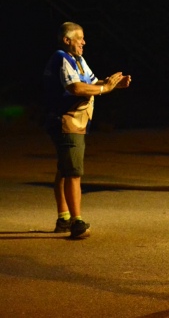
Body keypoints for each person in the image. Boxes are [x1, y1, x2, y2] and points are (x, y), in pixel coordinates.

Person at [42, 22, 131, 239]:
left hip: (72, 121)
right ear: (67, 40)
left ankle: (63, 218)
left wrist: (112, 84)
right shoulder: (62, 58)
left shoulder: (78, 60)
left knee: (65, 169)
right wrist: (105, 88)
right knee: (73, 171)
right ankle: (76, 222)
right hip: (67, 121)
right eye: (79, 37)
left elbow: (91, 82)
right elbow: (75, 88)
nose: (84, 41)